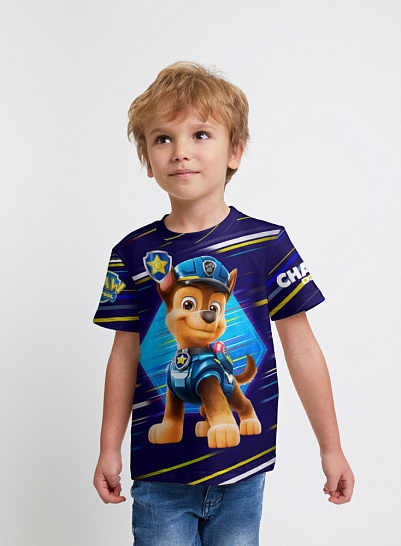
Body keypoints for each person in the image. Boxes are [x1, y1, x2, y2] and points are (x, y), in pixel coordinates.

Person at [93, 61, 354, 545]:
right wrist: (109, 448)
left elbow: (301, 348)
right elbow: (124, 356)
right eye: (163, 138)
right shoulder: (132, 253)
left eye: (200, 135)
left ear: (235, 151)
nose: (181, 151)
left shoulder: (267, 244)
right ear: (147, 160)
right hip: (159, 476)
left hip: (243, 472)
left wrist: (331, 447)